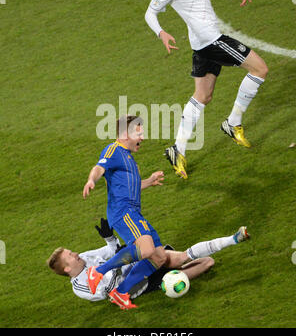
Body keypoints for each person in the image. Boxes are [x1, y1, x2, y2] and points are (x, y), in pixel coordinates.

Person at [145, 0, 268, 179]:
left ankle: (177, 149)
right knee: (260, 69)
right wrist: (161, 33)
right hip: (212, 40)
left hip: (201, 42)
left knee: (203, 96)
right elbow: (150, 13)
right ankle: (232, 123)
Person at [47, 218, 250, 305]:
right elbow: (108, 289)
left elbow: (111, 250)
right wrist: (117, 260)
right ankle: (169, 278)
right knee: (208, 263)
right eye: (70, 256)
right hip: (138, 284)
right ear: (66, 268)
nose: (75, 254)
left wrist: (109, 238)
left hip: (140, 261)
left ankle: (233, 239)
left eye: (71, 251)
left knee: (183, 257)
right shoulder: (79, 287)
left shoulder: (85, 257)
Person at [82, 115, 167, 309]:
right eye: (139, 132)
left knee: (159, 257)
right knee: (146, 250)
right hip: (122, 212)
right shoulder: (114, 150)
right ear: (125, 133)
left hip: (135, 213)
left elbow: (132, 187)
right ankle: (98, 271)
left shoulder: (130, 159)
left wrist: (149, 181)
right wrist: (91, 180)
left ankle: (121, 292)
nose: (143, 138)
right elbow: (98, 168)